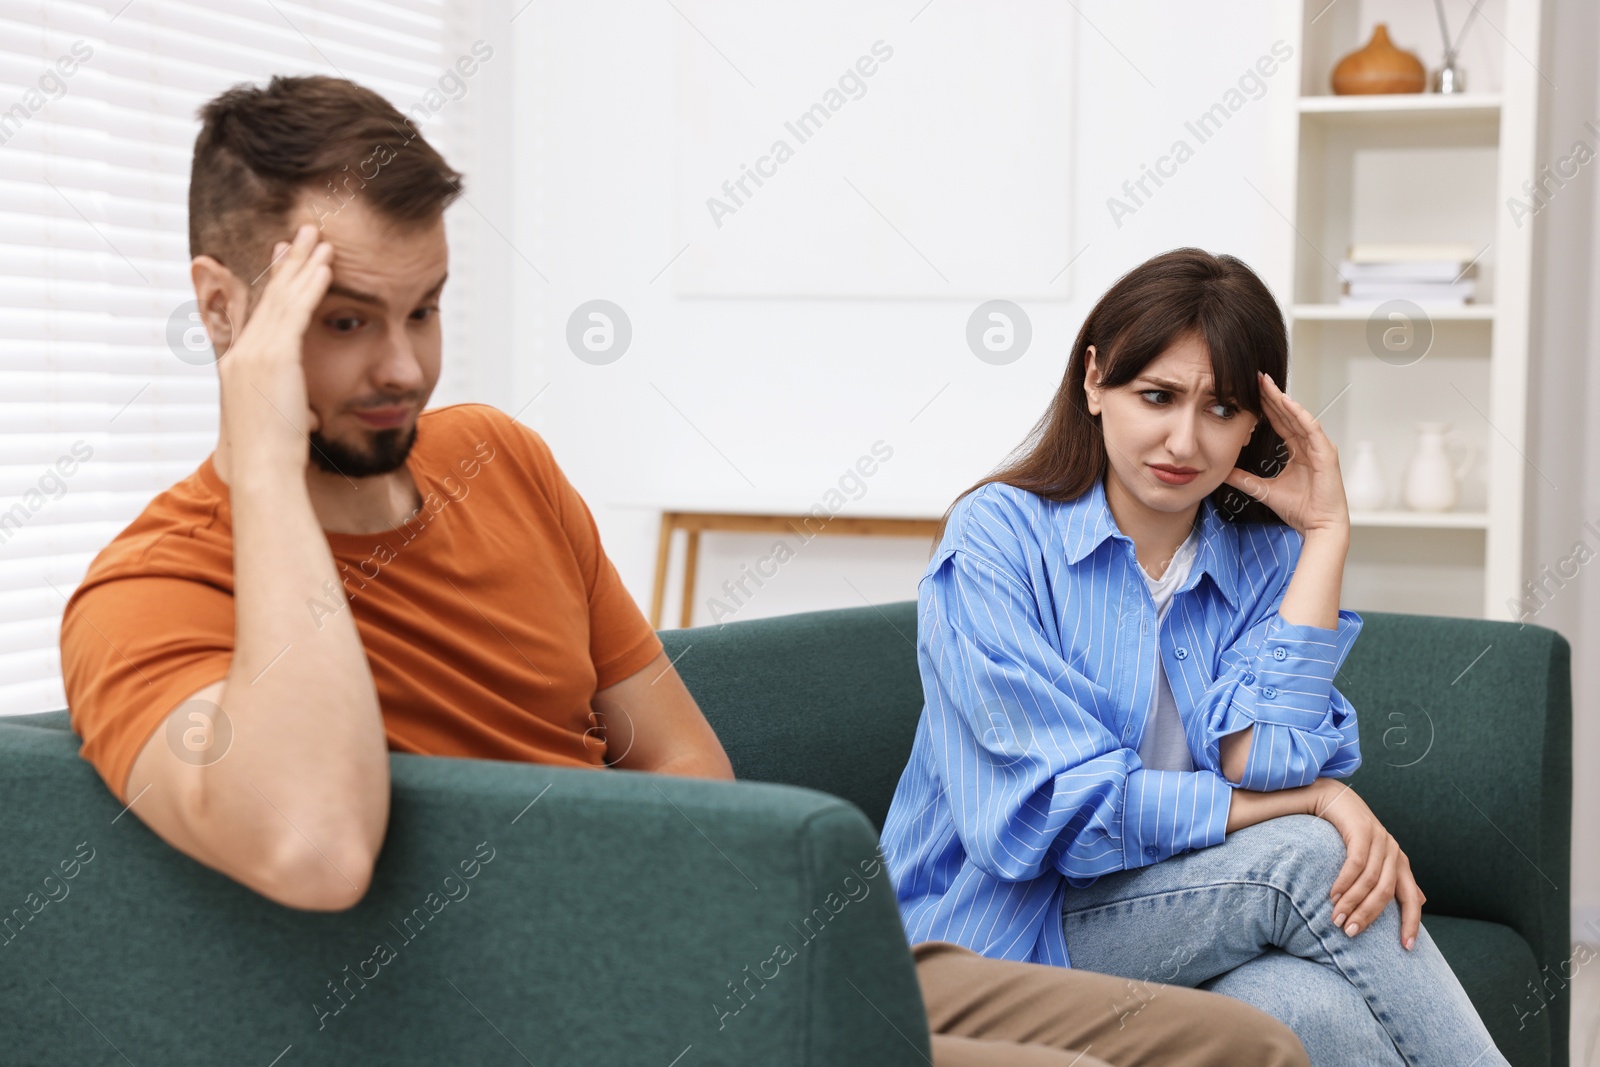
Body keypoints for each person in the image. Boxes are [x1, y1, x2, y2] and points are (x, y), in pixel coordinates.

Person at [58, 77, 1307, 1067]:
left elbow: (688, 769)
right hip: (539, 1011)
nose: (403, 367)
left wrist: (713, 943)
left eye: (426, 308)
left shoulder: (498, 457)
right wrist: (267, 466)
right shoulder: (152, 592)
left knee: (1247, 1044)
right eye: (344, 320)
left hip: (698, 939)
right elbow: (319, 844)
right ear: (225, 309)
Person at [878, 247, 1509, 1066]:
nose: (1184, 440)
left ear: (1259, 423)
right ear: (1095, 380)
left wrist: (1324, 537)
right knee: (1311, 856)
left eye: (1222, 409)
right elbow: (1056, 817)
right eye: (1157, 396)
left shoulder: (1258, 559)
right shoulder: (998, 537)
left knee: (1307, 1010)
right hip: (1000, 932)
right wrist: (1315, 804)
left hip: (1170, 907)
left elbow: (1265, 760)